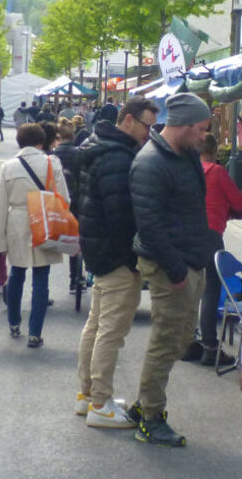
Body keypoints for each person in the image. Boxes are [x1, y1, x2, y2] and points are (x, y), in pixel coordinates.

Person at [126, 92, 213, 447]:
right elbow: (150, 225)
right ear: (186, 125)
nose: (205, 137)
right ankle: (150, 417)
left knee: (179, 339)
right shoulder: (150, 163)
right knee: (166, 342)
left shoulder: (186, 154)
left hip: (189, 259)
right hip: (169, 265)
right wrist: (177, 270)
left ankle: (143, 402)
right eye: (202, 129)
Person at [75, 96, 159, 429]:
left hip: (100, 252)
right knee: (110, 332)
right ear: (128, 120)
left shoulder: (102, 147)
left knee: (96, 326)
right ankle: (100, 403)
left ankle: (88, 396)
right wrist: (132, 259)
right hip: (116, 256)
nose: (149, 134)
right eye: (146, 126)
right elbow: (122, 217)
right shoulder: (118, 158)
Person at [0, 123, 69, 348]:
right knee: (41, 277)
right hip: (44, 220)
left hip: (17, 222)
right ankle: (35, 332)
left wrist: (0, 240)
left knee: (16, 272)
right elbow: (64, 198)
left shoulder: (8, 166)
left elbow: (0, 206)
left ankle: (14, 322)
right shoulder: (51, 163)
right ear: (40, 142)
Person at [181, 133, 242, 366]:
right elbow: (239, 203)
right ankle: (210, 346)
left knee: (189, 289)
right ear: (213, 151)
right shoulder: (217, 172)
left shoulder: (187, 170)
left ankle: (188, 342)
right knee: (211, 289)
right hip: (211, 233)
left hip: (187, 233)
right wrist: (232, 212)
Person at [53, 119, 84, 294]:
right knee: (76, 240)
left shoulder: (52, 155)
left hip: (56, 202)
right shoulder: (79, 154)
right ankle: (76, 278)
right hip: (76, 201)